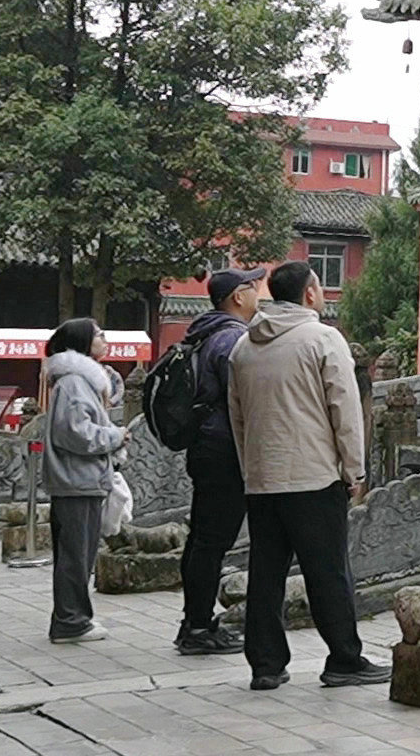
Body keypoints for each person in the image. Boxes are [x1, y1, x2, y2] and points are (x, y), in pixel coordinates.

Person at [228, 261, 388, 691]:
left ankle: (265, 664)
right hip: (313, 477)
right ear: (310, 294)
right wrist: (354, 469)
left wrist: (250, 470)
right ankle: (344, 659)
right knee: (328, 571)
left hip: (263, 479)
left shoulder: (243, 347)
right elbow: (345, 410)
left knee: (265, 574)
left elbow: (238, 418)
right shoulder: (322, 338)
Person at [173, 266, 266, 656]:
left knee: (202, 539)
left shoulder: (205, 331)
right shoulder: (231, 338)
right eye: (252, 287)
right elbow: (243, 397)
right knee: (212, 542)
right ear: (237, 297)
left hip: (206, 445)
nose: (258, 293)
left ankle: (195, 621)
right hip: (224, 449)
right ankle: (197, 627)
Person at [43, 318, 128, 645]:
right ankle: (71, 621)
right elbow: (75, 433)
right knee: (76, 555)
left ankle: (73, 617)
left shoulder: (78, 381)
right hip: (76, 479)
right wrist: (115, 436)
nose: (105, 339)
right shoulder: (74, 383)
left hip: (80, 478)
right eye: (99, 335)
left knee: (79, 553)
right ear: (82, 341)